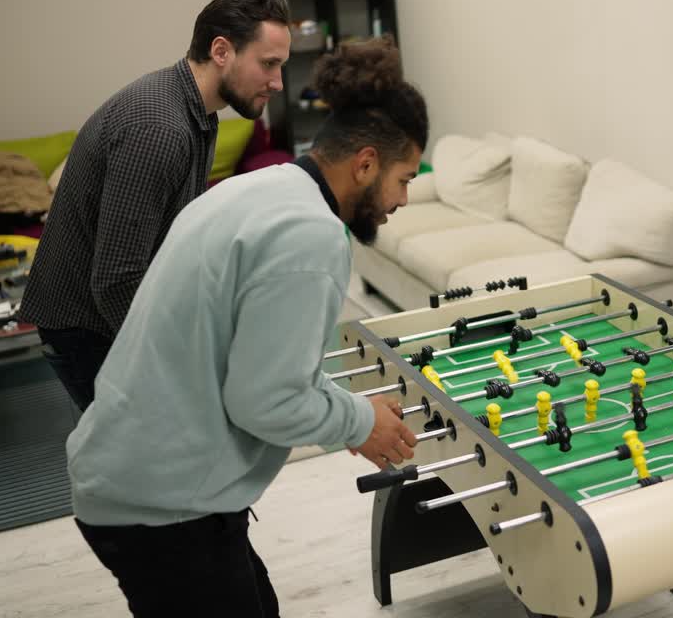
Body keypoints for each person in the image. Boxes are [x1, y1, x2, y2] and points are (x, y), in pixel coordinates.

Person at [65, 36, 425, 617]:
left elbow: (261, 365)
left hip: (140, 480)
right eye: (404, 178)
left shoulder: (262, 188)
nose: (403, 198)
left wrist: (347, 406)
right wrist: (360, 423)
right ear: (365, 163)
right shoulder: (311, 236)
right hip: (160, 506)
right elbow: (265, 400)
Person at [19, 0, 292, 411]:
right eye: (269, 64)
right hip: (88, 329)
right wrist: (186, 358)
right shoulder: (160, 128)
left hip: (103, 316)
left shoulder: (196, 112)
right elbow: (117, 279)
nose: (277, 82)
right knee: (142, 469)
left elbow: (172, 232)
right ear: (222, 52)